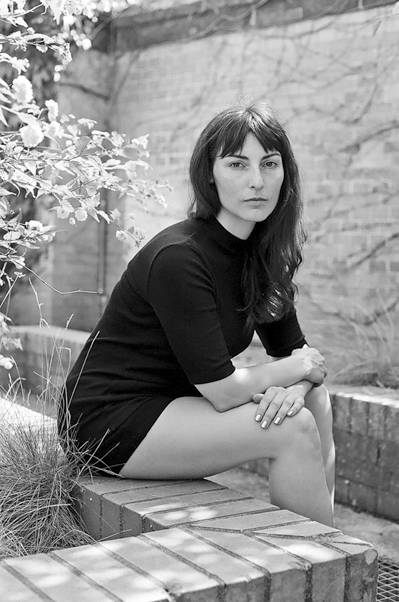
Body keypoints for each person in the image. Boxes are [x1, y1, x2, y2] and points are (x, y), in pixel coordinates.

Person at [59, 102, 335, 527]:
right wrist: (298, 369)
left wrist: (295, 385)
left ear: (286, 172)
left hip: (175, 405)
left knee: (313, 398)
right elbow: (225, 391)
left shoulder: (260, 254)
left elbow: (297, 354)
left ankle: (330, 550)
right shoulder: (181, 257)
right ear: (210, 173)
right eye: (238, 164)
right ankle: (311, 567)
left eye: (270, 163)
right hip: (109, 418)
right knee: (291, 429)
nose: (257, 181)